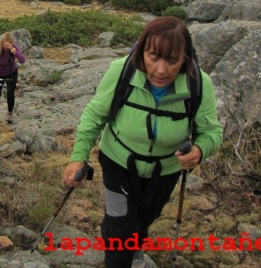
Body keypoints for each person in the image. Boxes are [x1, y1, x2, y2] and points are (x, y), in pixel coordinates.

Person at [63, 17, 223, 268]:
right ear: (142, 52)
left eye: (172, 60)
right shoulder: (121, 71)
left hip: (165, 169)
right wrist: (77, 157)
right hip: (118, 160)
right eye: (153, 57)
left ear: (185, 59)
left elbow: (211, 131)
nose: (161, 70)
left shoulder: (198, 84)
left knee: (145, 217)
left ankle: (133, 239)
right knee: (120, 226)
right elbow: (94, 116)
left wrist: (200, 150)